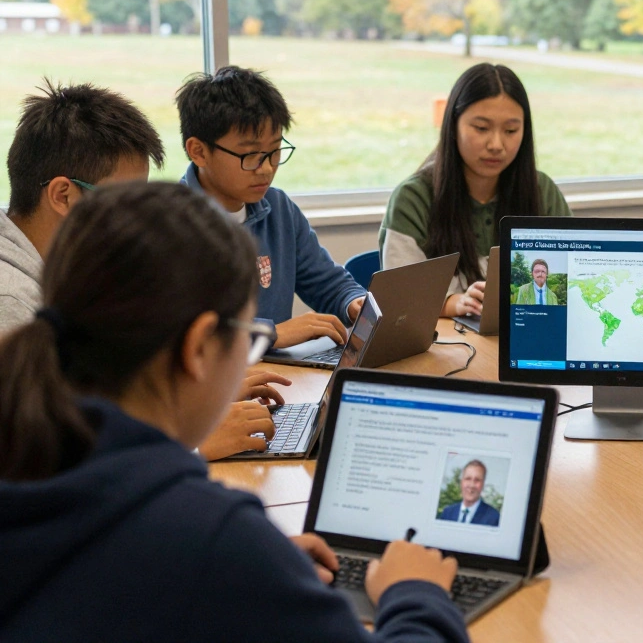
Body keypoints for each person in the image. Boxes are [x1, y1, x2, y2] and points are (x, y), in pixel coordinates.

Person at [0, 182, 468, 642]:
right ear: (199, 347)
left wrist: (260, 569)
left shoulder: (34, 457)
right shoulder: (208, 536)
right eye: (251, 338)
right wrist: (416, 593)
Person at [0, 80, 289, 462]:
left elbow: (87, 404)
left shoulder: (69, 271)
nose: (137, 219)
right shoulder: (11, 302)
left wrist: (189, 396)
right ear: (63, 195)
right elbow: (42, 466)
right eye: (125, 201)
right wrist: (190, 446)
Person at [177, 66, 366, 350]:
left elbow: (326, 283)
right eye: (251, 155)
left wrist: (353, 302)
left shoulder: (278, 208)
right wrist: (270, 333)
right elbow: (183, 332)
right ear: (199, 151)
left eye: (275, 151)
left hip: (278, 373)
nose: (266, 168)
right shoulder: (171, 225)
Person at [379, 63, 570, 318]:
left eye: (511, 130)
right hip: (446, 341)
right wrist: (453, 303)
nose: (496, 144)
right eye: (481, 128)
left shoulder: (541, 191)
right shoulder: (413, 199)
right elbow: (400, 301)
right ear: (453, 126)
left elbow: (573, 282)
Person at [436, 460, 500, 527]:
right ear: (461, 482)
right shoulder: (447, 513)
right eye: (468, 479)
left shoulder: (493, 518)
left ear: (483, 484)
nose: (471, 485)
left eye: (477, 480)